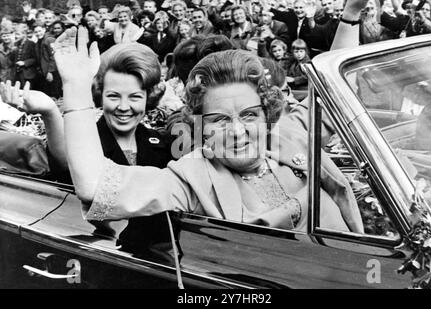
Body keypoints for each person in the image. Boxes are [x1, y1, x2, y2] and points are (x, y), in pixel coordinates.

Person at [52, 27, 364, 233]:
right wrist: (76, 88)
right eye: (220, 120)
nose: (239, 132)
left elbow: (330, 93)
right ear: (200, 124)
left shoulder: (290, 135)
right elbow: (95, 186)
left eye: (250, 115)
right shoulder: (192, 178)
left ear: (266, 113)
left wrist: (351, 16)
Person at [0, 42, 173, 252]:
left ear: (149, 98)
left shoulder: (162, 143)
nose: (124, 107)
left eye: (135, 97)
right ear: (100, 94)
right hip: (99, 253)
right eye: (114, 96)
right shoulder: (84, 143)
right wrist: (50, 111)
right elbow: (66, 161)